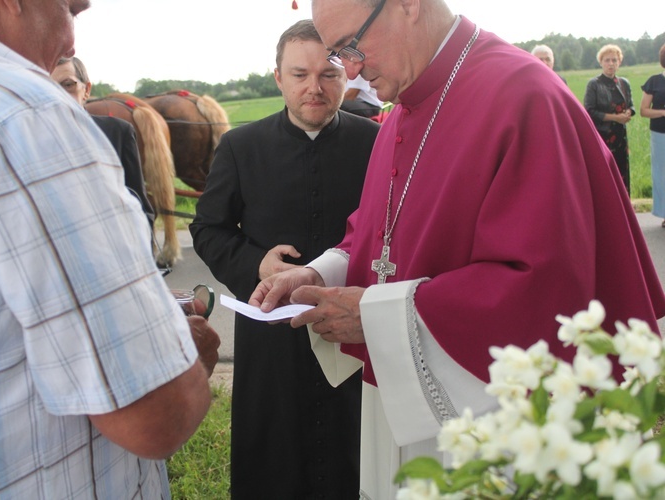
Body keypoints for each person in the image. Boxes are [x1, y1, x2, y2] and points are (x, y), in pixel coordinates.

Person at [248, 0, 665, 498]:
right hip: (405, 402)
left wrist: (377, 317)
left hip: (486, 418)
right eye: (342, 55)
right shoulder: (402, 107)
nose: (353, 72)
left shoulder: (522, 95)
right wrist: (320, 274)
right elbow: (380, 233)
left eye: (351, 47)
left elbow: (544, 283)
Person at [0, 0, 220, 498]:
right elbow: (155, 416)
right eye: (68, 7)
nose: (79, 17)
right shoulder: (23, 115)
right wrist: (187, 354)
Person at [190, 19, 380, 500]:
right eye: (300, 75)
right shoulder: (239, 146)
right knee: (273, 465)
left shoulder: (375, 144)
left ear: (346, 79)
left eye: (328, 75)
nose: (314, 88)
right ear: (278, 77)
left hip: (353, 330)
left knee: (355, 460)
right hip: (270, 333)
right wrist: (257, 264)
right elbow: (208, 230)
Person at [52, 56, 156, 230]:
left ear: (86, 90)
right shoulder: (26, 141)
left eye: (68, 85)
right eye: (49, 86)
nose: (59, 95)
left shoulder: (117, 133)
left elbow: (140, 206)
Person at [584, 44, 636, 195]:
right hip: (602, 136)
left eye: (614, 60)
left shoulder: (624, 83)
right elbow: (589, 111)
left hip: (621, 136)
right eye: (607, 60)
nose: (611, 64)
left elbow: (632, 106)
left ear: (619, 62)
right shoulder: (594, 84)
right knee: (604, 174)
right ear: (601, 62)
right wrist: (615, 118)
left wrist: (628, 113)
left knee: (622, 173)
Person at [640, 43, 665, 228]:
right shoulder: (654, 82)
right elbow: (643, 111)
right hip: (660, 134)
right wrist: (663, 113)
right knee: (662, 174)